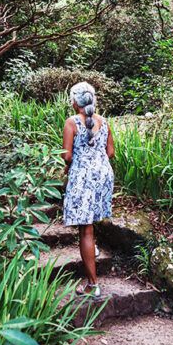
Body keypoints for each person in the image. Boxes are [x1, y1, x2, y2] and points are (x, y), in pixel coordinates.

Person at [62, 82, 115, 298]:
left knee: (85, 229)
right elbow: (110, 152)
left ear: (74, 102)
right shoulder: (104, 122)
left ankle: (93, 285)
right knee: (91, 222)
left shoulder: (72, 123)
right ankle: (91, 249)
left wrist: (78, 161)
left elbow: (66, 155)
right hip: (103, 175)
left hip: (83, 177)